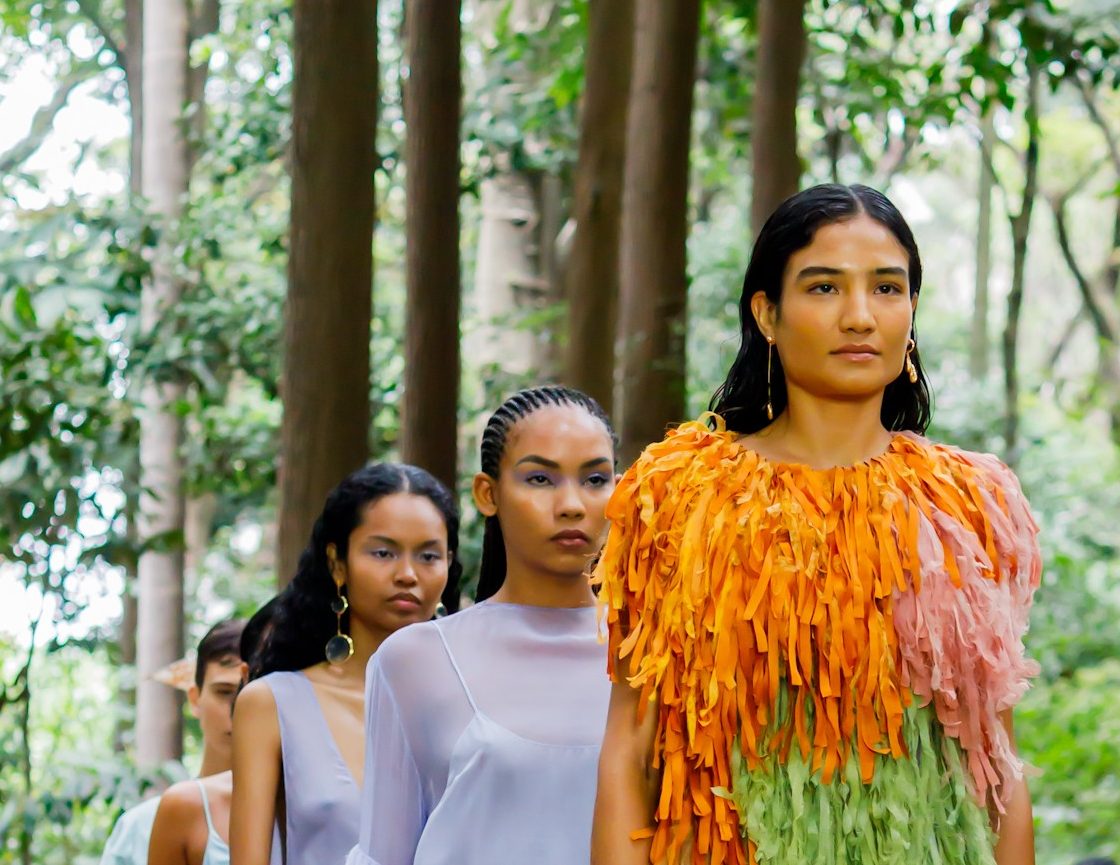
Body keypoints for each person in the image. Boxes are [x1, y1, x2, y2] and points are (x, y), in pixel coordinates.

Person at [593, 184, 1043, 865]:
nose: (860, 316)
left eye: (887, 289)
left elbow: (995, 760)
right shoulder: (678, 496)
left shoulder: (969, 504)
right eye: (825, 288)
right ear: (768, 313)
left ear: (911, 311)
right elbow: (630, 746)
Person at [348, 386, 616, 865]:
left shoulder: (657, 653)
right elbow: (382, 855)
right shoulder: (415, 660)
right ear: (488, 494)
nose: (573, 504)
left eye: (596, 479)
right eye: (540, 479)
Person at [229, 464, 463, 865]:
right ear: (338, 563)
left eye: (428, 555)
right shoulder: (270, 704)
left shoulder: (472, 700)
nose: (407, 574)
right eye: (383, 552)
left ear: (448, 564)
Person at [98, 620, 247, 865]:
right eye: (224, 691)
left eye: (250, 693)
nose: (238, 708)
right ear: (195, 698)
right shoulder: (137, 829)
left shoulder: (297, 816)